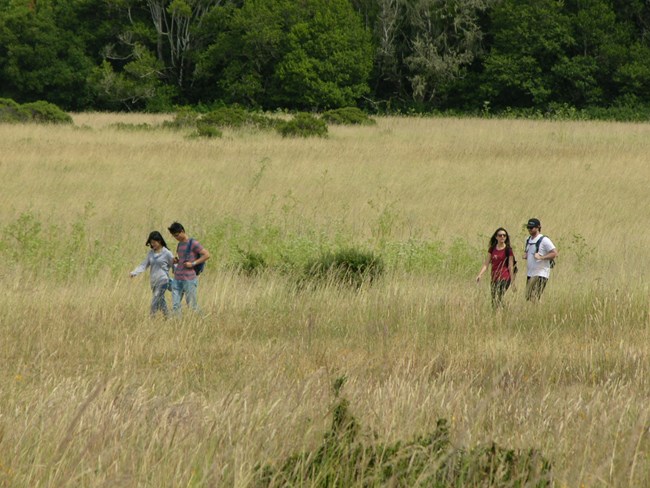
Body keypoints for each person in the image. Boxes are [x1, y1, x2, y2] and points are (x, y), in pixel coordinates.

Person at [168, 222, 210, 316]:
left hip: (189, 279)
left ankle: (204, 319)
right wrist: (177, 260)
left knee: (192, 305)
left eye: (177, 235)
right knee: (175, 305)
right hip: (177, 278)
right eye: (174, 236)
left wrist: (193, 263)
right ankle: (177, 326)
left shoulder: (193, 243)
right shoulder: (179, 244)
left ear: (182, 231)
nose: (176, 238)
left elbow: (207, 255)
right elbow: (183, 259)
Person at [130, 231, 175, 317]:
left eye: (154, 242)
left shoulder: (167, 253)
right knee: (161, 301)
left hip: (163, 280)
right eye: (151, 243)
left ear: (160, 241)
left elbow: (174, 264)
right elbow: (144, 265)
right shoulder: (151, 253)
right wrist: (134, 273)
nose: (152, 244)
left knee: (155, 300)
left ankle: (151, 318)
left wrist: (177, 273)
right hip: (154, 281)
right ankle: (168, 317)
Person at [476, 227, 516, 307]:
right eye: (500, 235)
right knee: (494, 300)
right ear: (496, 237)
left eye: (504, 235)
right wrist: (480, 274)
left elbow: (510, 266)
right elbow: (486, 264)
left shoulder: (508, 249)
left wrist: (512, 282)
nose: (502, 237)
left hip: (505, 277)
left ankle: (502, 314)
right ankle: (500, 314)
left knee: (499, 297)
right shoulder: (492, 249)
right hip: (494, 278)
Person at [523, 218, 558, 302]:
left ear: (538, 227)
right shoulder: (528, 239)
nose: (529, 230)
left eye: (531, 228)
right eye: (528, 228)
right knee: (527, 297)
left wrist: (541, 257)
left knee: (534, 296)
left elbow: (554, 253)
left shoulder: (544, 240)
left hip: (541, 273)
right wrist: (526, 255)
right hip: (530, 272)